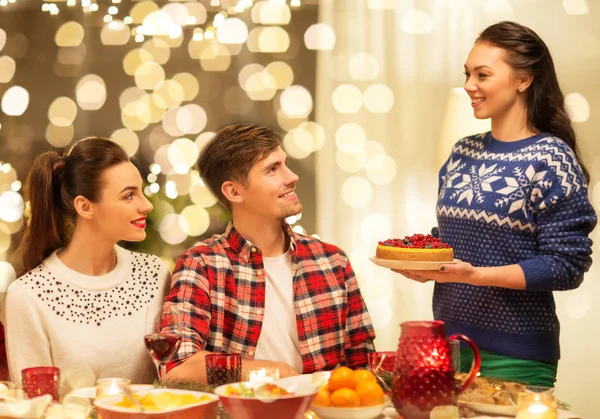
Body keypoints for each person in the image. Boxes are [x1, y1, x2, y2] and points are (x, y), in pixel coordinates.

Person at [398, 21, 597, 387]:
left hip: (516, 356)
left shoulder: (551, 158)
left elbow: (567, 265)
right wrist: (427, 264)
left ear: (523, 80)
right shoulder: (463, 152)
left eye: (482, 74)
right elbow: (450, 240)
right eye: (467, 74)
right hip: (447, 347)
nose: (469, 85)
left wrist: (474, 275)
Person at [158, 124, 375, 382]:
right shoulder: (201, 264)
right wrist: (267, 371)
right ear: (234, 191)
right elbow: (176, 367)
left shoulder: (332, 262)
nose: (292, 176)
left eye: (285, 163)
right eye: (273, 169)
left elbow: (364, 368)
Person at [5, 137, 171, 394]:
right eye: (129, 195)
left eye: (141, 191)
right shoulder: (28, 295)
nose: (146, 205)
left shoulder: (155, 274)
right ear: (84, 206)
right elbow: (35, 406)